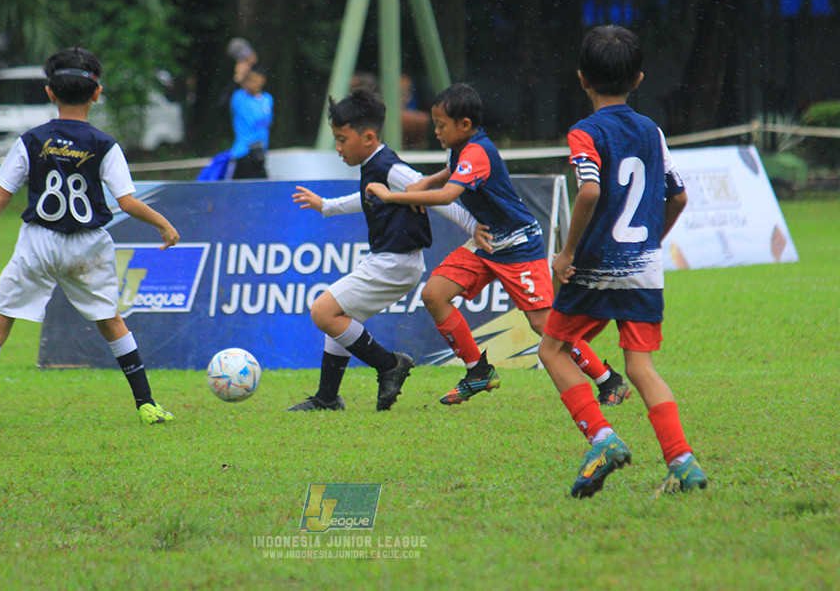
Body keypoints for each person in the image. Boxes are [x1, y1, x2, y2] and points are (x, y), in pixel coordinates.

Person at [0, 47, 181, 433]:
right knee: (112, 322)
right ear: (96, 94)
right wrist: (162, 223)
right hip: (88, 246)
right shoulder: (104, 144)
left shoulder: (30, 140)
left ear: (50, 92)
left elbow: (2, 193)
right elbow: (127, 202)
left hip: (38, 243)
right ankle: (147, 404)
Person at [366, 83, 627, 407]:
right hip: (488, 241)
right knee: (434, 294)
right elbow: (451, 170)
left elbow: (449, 195)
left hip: (519, 245)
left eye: (440, 125)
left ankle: (609, 380)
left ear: (464, 125)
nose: (435, 131)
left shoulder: (476, 151)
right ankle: (478, 371)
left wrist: (394, 196)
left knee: (543, 324)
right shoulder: (462, 145)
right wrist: (428, 180)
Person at [537, 25, 707, 498]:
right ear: (639, 78)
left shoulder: (584, 132)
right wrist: (650, 244)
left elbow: (589, 189)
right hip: (642, 269)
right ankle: (682, 461)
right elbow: (678, 197)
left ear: (581, 79)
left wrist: (566, 253)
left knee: (551, 350)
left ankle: (602, 437)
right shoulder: (651, 131)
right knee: (641, 368)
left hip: (594, 268)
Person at [288, 89, 492, 412]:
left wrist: (473, 226)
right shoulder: (374, 166)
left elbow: (433, 192)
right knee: (339, 316)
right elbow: (368, 197)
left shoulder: (390, 168)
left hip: (396, 262)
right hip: (390, 261)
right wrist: (325, 206)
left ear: (368, 137)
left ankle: (388, 365)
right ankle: (327, 396)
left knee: (322, 312)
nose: (338, 148)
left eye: (342, 140)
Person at [228, 64, 273, 179]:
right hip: (244, 152)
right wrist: (237, 77)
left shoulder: (267, 99)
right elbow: (223, 100)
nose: (250, 83)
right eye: (248, 80)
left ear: (262, 80)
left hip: (260, 151)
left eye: (253, 79)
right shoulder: (239, 97)